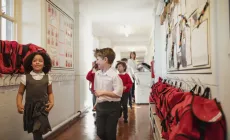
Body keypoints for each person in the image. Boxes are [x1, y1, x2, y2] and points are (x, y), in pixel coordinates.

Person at [16, 52, 54, 140]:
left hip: (42, 108)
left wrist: (52, 102)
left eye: (40, 61)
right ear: (31, 64)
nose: (37, 62)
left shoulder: (48, 78)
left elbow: (50, 93)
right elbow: (20, 93)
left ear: (44, 64)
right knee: (35, 130)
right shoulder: (25, 78)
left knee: (38, 129)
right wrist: (19, 104)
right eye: (35, 61)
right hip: (30, 108)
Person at [94, 48, 123, 140]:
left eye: (98, 59)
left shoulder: (115, 76)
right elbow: (98, 92)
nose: (96, 62)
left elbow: (118, 94)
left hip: (112, 108)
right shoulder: (97, 74)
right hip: (100, 106)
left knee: (110, 133)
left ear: (105, 60)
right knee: (100, 132)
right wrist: (96, 103)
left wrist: (103, 93)